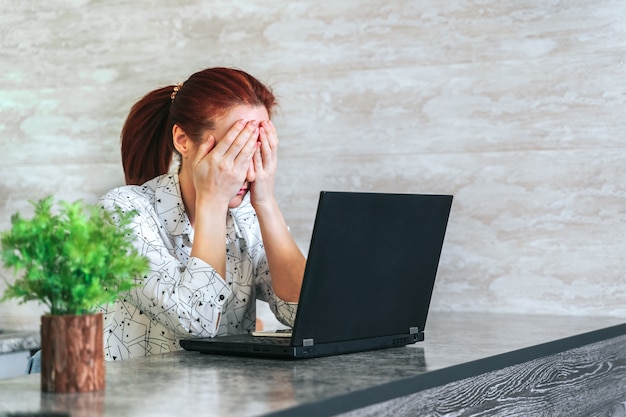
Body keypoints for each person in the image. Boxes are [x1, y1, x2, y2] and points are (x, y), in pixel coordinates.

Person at [98, 67, 306, 361]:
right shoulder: (121, 213)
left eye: (257, 152)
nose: (247, 172)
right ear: (183, 140)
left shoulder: (246, 217)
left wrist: (267, 202)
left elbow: (304, 315)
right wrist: (212, 201)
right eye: (234, 151)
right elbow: (196, 322)